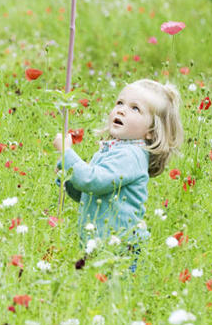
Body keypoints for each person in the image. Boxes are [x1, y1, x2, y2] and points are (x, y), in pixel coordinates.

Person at [52, 79, 183, 271]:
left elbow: (92, 180)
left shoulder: (131, 156)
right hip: (102, 245)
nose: (121, 110)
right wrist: (68, 177)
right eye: (119, 103)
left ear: (150, 131)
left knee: (115, 295)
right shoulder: (114, 149)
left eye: (135, 108)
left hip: (121, 249)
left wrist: (68, 155)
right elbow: (88, 193)